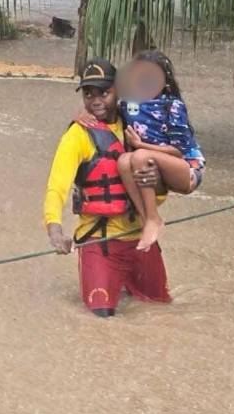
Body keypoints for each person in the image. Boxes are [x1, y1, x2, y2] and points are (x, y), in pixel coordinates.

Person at [43, 58, 171, 318]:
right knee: (100, 320)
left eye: (104, 91)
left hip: (141, 241)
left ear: (118, 91)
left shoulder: (138, 125)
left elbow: (168, 172)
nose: (96, 100)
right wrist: (54, 229)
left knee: (162, 311)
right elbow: (57, 188)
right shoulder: (77, 135)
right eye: (89, 94)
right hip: (100, 243)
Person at [116, 51, 206, 252]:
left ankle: (154, 218)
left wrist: (141, 146)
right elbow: (104, 102)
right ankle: (146, 219)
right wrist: (84, 113)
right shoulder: (127, 104)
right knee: (123, 161)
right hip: (150, 165)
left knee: (138, 156)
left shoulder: (172, 106)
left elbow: (179, 152)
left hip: (187, 169)